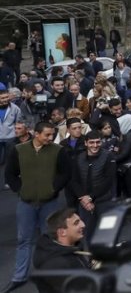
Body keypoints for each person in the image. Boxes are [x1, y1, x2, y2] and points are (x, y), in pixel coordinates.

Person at [3, 121, 70, 293]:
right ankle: (19, 277)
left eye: (52, 134)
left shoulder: (58, 151)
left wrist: (54, 189)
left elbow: (65, 173)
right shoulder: (19, 150)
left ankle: (49, 274)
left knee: (49, 239)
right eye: (47, 134)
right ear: (37, 134)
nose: (50, 137)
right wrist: (21, 190)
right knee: (24, 239)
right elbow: (10, 174)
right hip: (26, 202)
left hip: (50, 202)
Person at [31, 208, 92, 293]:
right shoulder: (56, 265)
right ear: (62, 232)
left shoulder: (70, 247)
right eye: (76, 223)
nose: (83, 225)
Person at [70, 130, 117, 240]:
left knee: (106, 233)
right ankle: (89, 257)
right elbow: (74, 180)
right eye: (91, 142)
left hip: (103, 200)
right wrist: (83, 198)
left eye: (97, 142)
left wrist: (90, 197)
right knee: (86, 233)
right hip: (84, 203)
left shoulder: (108, 156)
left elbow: (108, 180)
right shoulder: (79, 157)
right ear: (86, 143)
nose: (95, 145)